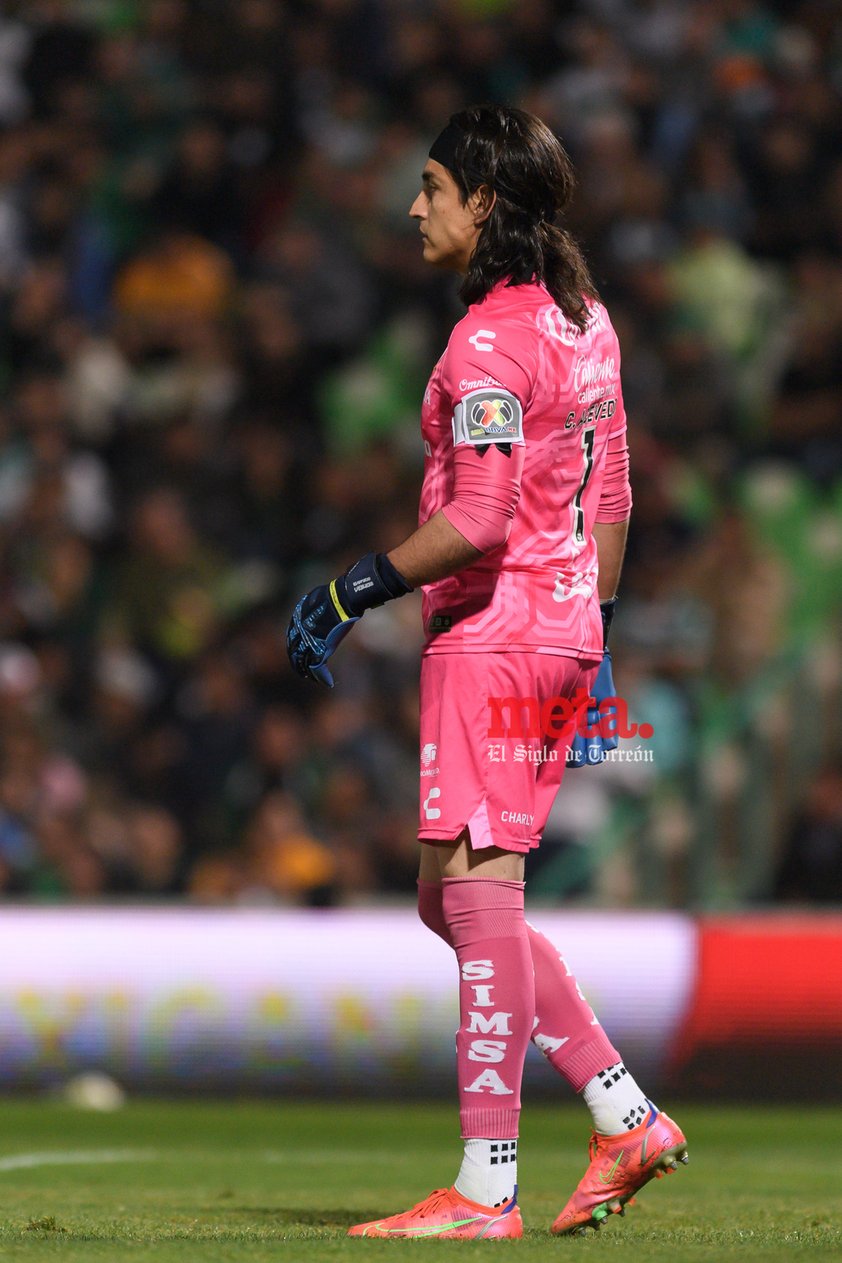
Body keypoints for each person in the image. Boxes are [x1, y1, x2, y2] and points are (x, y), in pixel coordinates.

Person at [286, 104, 687, 1240]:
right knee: (453, 899)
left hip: (495, 637)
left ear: (485, 203)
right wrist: (586, 624)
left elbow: (475, 515)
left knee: (471, 895)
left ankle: (484, 1185)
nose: (414, 208)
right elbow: (608, 497)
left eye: (430, 187)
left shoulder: (484, 344)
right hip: (563, 634)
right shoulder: (584, 322)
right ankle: (621, 1112)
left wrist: (351, 588)